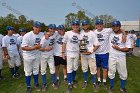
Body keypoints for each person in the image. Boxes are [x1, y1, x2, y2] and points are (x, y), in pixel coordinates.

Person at [94, 19, 126, 89]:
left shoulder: (108, 30)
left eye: (101, 24)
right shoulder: (93, 32)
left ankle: (104, 81)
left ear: (103, 25)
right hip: (96, 53)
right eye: (98, 24)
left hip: (105, 53)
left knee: (105, 69)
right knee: (98, 68)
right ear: (95, 25)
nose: (99, 25)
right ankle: (99, 80)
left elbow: (119, 29)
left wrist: (124, 34)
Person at [108, 21, 131, 93]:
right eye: (114, 26)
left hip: (121, 56)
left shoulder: (125, 36)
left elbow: (128, 48)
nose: (115, 27)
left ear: (120, 26)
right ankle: (111, 86)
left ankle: (122, 87)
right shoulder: (110, 34)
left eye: (117, 26)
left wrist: (120, 49)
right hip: (112, 56)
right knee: (111, 71)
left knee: (123, 72)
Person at [21, 21, 44, 93]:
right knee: (28, 72)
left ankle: (36, 84)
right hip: (28, 56)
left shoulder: (42, 34)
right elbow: (23, 47)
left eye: (39, 27)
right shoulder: (27, 35)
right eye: (36, 27)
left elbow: (48, 36)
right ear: (33, 27)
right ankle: (28, 86)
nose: (38, 29)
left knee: (36, 70)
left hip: (37, 55)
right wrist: (34, 47)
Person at [80, 20, 99, 92]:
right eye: (83, 24)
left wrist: (91, 51)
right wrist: (82, 51)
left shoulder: (92, 33)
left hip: (91, 55)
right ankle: (85, 81)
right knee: (84, 68)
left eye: (86, 24)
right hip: (83, 54)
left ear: (88, 25)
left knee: (93, 69)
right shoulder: (81, 32)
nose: (85, 26)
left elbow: (97, 45)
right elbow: (80, 44)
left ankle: (94, 83)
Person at [62, 20, 80, 93]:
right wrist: (63, 53)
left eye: (77, 25)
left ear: (78, 26)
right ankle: (69, 84)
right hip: (69, 53)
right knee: (69, 68)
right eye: (74, 25)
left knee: (75, 68)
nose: (75, 26)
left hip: (76, 53)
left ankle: (73, 80)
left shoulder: (80, 34)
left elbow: (82, 45)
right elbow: (64, 43)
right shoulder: (68, 33)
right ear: (72, 26)